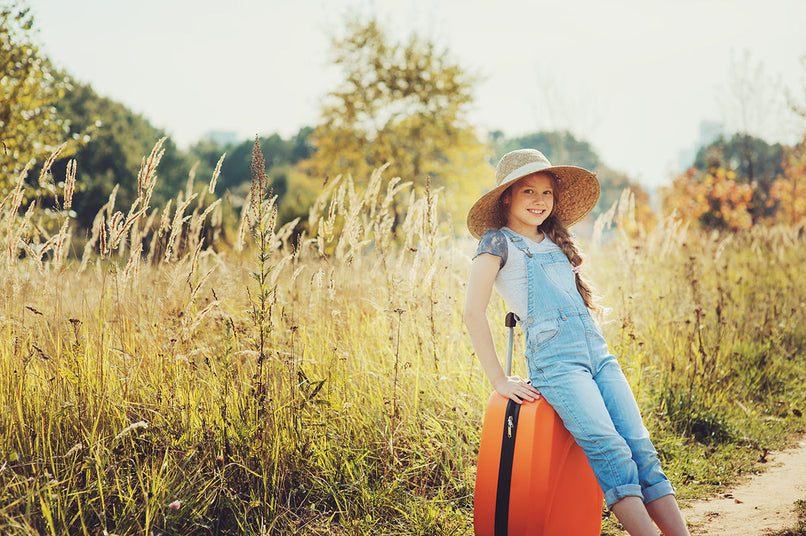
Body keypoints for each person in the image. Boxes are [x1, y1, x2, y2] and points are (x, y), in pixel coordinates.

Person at [463, 149, 690, 536]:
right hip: (557, 364)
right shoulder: (496, 242)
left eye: (547, 193)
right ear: (507, 197)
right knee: (610, 450)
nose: (539, 202)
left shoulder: (554, 241)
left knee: (640, 449)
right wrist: (499, 380)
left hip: (598, 353)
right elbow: (472, 312)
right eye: (528, 192)